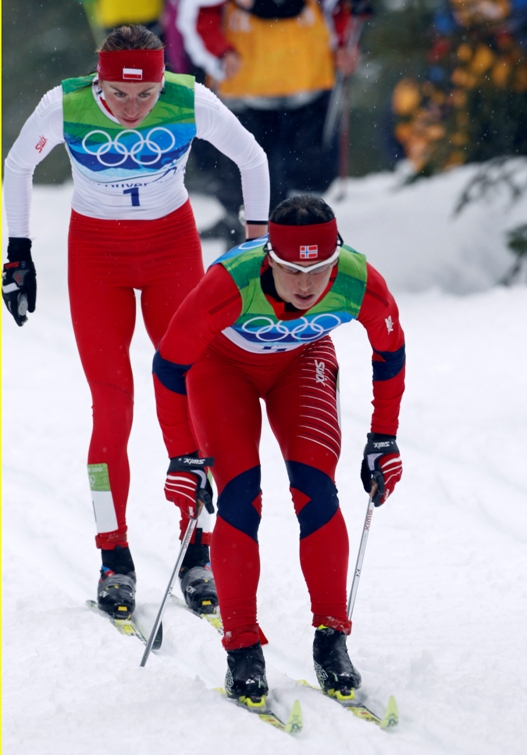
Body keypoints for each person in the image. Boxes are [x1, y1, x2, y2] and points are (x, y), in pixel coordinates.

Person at [2, 24, 269, 621]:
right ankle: (112, 555)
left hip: (172, 251)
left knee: (189, 395)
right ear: (99, 80)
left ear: (160, 81)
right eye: (118, 96)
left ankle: (197, 548)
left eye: (144, 95)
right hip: (96, 257)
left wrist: (258, 245)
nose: (132, 108)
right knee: (112, 405)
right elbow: (17, 166)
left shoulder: (188, 97)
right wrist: (18, 251)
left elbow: (252, 157)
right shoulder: (64, 103)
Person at [152, 194, 405, 702]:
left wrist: (383, 437)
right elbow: (169, 367)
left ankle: (332, 639)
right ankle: (242, 646)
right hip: (221, 369)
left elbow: (390, 352)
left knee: (316, 490)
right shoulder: (228, 283)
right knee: (241, 497)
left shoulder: (358, 281)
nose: (308, 285)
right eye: (293, 271)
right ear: (269, 257)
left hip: (302, 361)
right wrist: (182, 457)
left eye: (321, 269)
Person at [176, 0, 366, 248]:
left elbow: (339, 10)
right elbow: (199, 16)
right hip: (247, 93)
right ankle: (245, 251)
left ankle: (299, 244)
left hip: (307, 89)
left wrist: (344, 46)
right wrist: (220, 54)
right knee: (245, 180)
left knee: (304, 176)